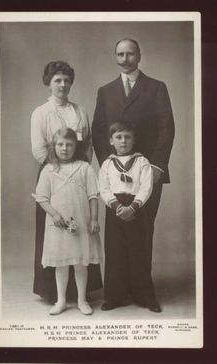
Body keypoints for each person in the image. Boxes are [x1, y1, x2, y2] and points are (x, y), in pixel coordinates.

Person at [92, 38, 175, 275]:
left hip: (148, 171)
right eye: (120, 54)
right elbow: (98, 131)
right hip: (115, 176)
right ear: (115, 57)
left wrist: (158, 166)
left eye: (130, 54)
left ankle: (143, 291)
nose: (125, 59)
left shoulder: (156, 87)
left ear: (139, 56)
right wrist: (108, 166)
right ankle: (117, 292)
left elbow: (166, 128)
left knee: (143, 229)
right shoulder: (105, 91)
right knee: (116, 234)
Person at [31, 61, 102, 303]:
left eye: (66, 80)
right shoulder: (41, 112)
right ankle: (54, 293)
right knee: (56, 232)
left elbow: (89, 142)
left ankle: (81, 294)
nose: (62, 85)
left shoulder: (80, 110)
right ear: (48, 83)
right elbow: (39, 149)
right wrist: (58, 168)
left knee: (81, 229)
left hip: (79, 174)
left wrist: (81, 166)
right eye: (57, 80)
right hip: (53, 173)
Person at [34, 128, 102, 315]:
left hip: (81, 222)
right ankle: (61, 300)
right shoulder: (48, 170)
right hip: (59, 225)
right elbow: (41, 198)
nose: (64, 148)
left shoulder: (85, 168)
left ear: (76, 146)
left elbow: (93, 195)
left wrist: (94, 219)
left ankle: (82, 299)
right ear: (53, 147)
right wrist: (55, 214)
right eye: (60, 144)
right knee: (61, 263)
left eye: (69, 144)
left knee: (81, 263)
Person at [99, 121, 161, 312]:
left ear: (134, 140)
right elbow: (104, 188)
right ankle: (115, 296)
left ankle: (144, 295)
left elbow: (146, 188)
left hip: (136, 209)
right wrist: (118, 207)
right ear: (111, 141)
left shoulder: (142, 162)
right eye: (118, 137)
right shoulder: (107, 164)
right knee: (115, 252)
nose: (123, 141)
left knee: (138, 252)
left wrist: (132, 208)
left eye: (127, 137)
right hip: (114, 209)